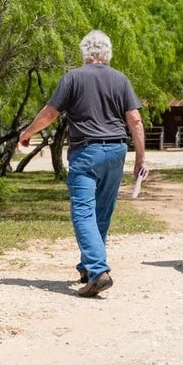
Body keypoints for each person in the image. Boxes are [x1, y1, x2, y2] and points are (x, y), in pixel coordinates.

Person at [18, 30, 146, 298]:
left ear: (85, 53)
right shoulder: (120, 79)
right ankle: (88, 267)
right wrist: (140, 159)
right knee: (101, 213)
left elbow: (51, 113)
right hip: (116, 151)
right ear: (107, 53)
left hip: (86, 151)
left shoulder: (73, 77)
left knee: (83, 211)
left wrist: (28, 132)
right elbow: (134, 119)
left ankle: (98, 270)